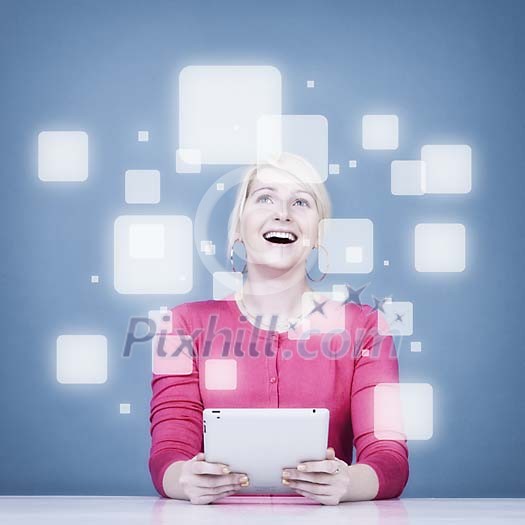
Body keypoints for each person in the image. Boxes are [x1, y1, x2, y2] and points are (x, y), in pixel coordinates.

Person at [149, 152, 409, 505]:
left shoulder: (365, 328)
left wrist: (349, 481)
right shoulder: (182, 325)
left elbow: (389, 456)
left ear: (318, 232)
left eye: (301, 201)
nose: (282, 213)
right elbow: (169, 449)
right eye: (265, 197)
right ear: (239, 228)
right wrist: (184, 479)